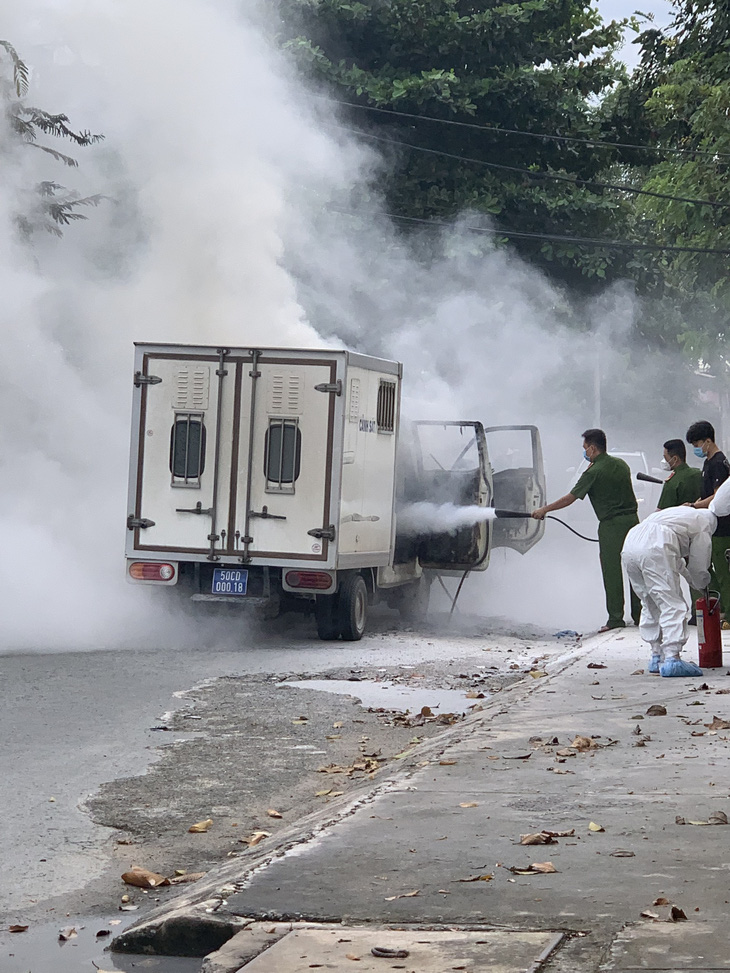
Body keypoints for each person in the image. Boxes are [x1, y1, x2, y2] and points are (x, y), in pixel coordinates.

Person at [532, 428, 640, 631]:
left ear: (592, 448)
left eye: (585, 448)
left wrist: (544, 510)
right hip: (633, 521)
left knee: (612, 571)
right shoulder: (621, 465)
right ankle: (640, 615)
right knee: (634, 568)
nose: (584, 452)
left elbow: (570, 498)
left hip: (611, 525)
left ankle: (616, 618)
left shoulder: (593, 472)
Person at [621, 506, 715, 676]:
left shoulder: (677, 516)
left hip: (631, 543)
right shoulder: (704, 525)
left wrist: (692, 581)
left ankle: (657, 655)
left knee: (649, 601)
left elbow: (677, 563)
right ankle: (672, 658)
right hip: (655, 544)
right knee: (672, 602)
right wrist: (703, 583)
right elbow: (699, 564)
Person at [685, 420, 730, 618]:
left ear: (708, 441)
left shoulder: (719, 463)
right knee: (709, 567)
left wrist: (696, 506)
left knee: (723, 571)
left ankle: (728, 614)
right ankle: (720, 608)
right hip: (710, 525)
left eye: (697, 445)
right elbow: (705, 495)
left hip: (722, 527)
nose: (697, 449)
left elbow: (717, 496)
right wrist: (693, 505)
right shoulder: (708, 463)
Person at [657, 439, 702, 510]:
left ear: (675, 459)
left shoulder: (672, 483)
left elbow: (662, 511)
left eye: (666, 458)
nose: (664, 461)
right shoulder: (699, 474)